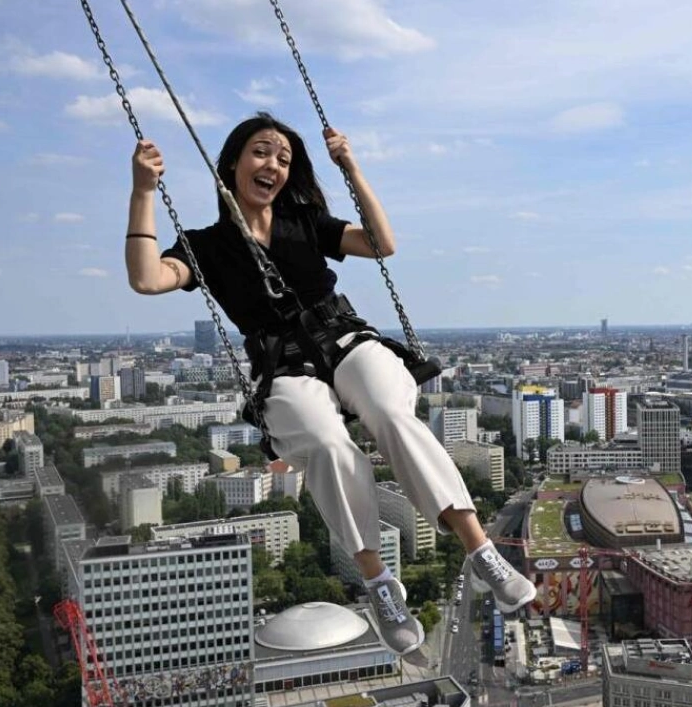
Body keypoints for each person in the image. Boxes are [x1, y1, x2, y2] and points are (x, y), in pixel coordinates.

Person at [122, 111, 535, 655]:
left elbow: (382, 244)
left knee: (390, 413)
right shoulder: (206, 245)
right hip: (284, 364)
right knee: (324, 443)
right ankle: (379, 582)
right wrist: (143, 191)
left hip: (342, 337)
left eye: (284, 159)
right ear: (232, 163)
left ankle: (480, 551)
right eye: (262, 152)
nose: (273, 164)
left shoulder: (306, 222)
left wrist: (351, 167)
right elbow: (147, 278)